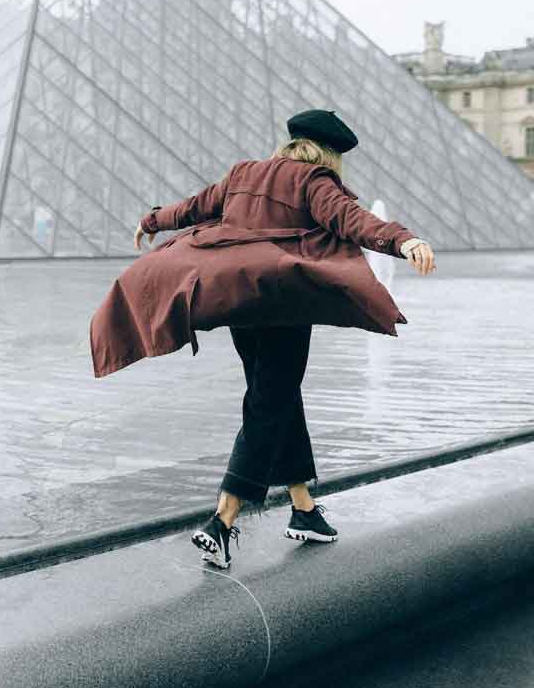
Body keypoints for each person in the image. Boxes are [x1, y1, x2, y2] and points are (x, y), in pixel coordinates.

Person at [132, 109, 436, 570]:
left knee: (277, 396)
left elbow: (195, 206)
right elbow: (352, 220)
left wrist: (153, 221)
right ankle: (222, 522)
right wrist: (403, 240)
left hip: (240, 304)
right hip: (283, 306)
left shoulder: (242, 174)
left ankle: (304, 510)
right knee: (268, 404)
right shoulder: (314, 182)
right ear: (328, 152)